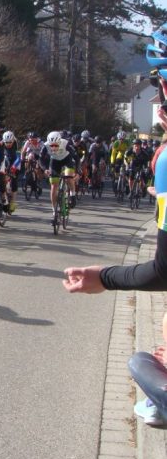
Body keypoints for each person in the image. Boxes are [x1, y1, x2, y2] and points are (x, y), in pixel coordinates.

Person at [64, 22, 167, 426]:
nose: (159, 100)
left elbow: (165, 270)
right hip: (117, 163)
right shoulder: (96, 145)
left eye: (160, 83)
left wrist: (103, 277)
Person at [41, 130, 79, 218]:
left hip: (66, 160)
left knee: (69, 177)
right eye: (52, 146)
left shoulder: (66, 143)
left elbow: (76, 158)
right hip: (54, 162)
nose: (53, 148)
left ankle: (73, 194)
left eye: (56, 145)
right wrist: (45, 169)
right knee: (54, 186)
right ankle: (54, 210)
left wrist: (77, 172)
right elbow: (41, 159)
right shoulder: (45, 145)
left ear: (59, 141)